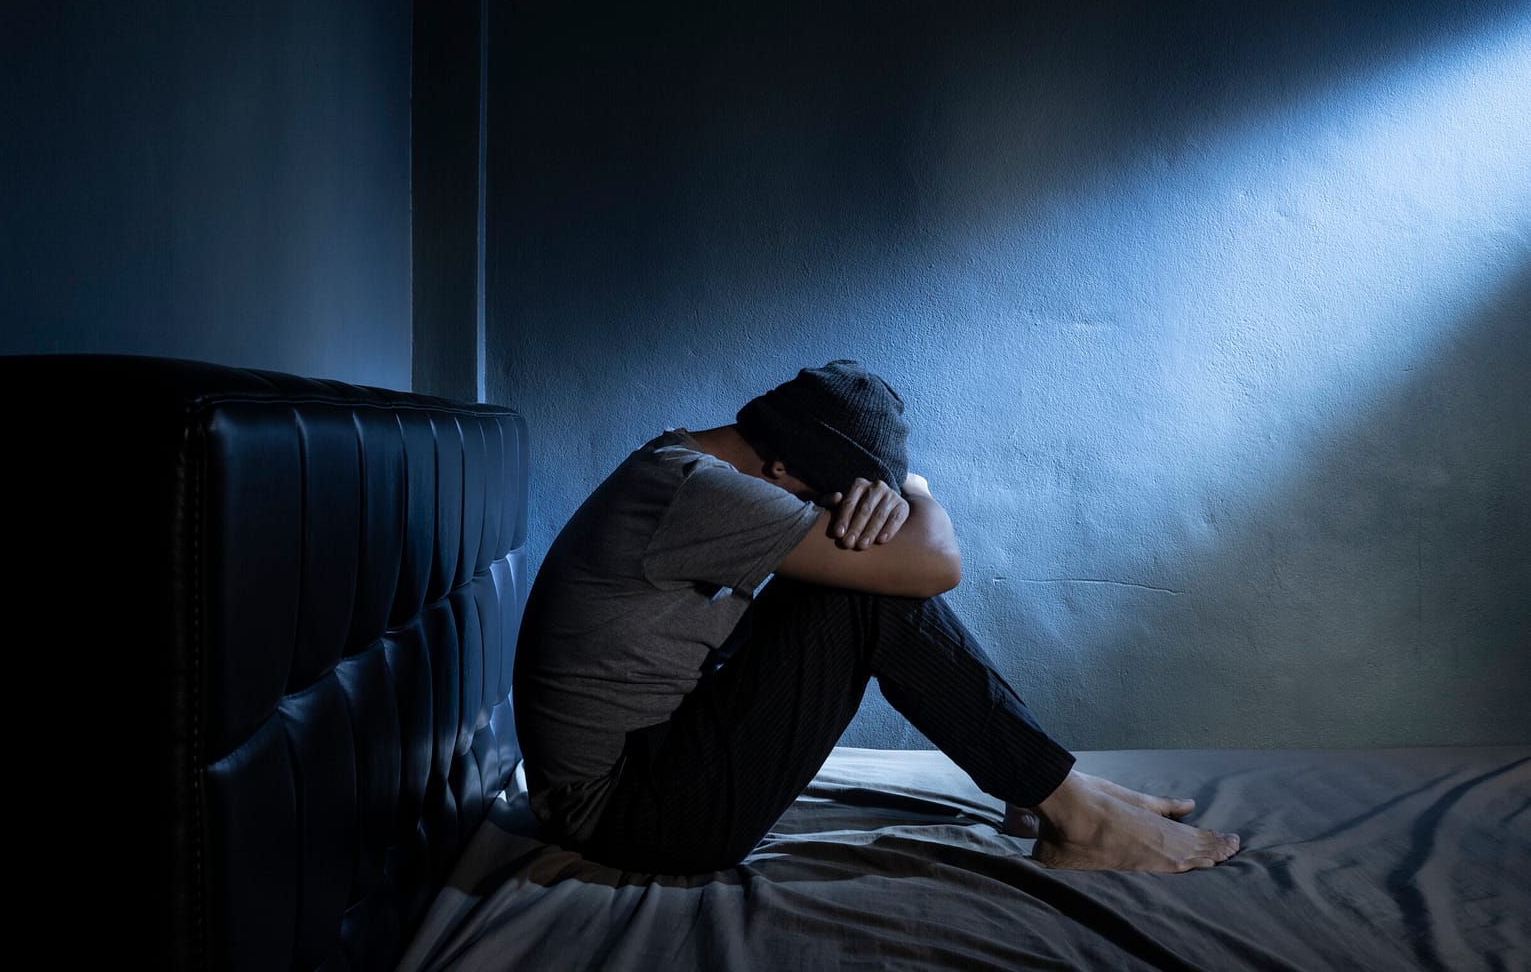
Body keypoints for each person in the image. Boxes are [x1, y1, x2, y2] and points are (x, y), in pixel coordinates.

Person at [512, 359, 1241, 875]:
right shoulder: (698, 492)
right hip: (629, 817)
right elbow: (935, 567)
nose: (831, 516)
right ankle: (1068, 810)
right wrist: (916, 497)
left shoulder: (681, 463)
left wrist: (902, 486)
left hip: (641, 769)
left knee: (845, 587)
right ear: (781, 471)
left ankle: (1044, 786)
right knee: (861, 595)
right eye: (828, 500)